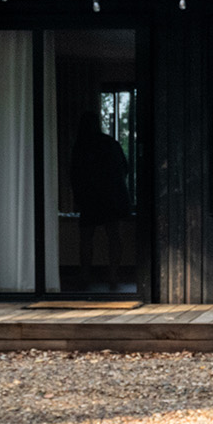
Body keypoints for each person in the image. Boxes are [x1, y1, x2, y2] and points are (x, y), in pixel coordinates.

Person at [69, 110, 132, 290]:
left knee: (86, 237)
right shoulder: (110, 143)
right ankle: (113, 274)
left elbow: (75, 174)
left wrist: (79, 196)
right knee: (114, 236)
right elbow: (124, 168)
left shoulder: (81, 145)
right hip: (113, 195)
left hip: (90, 197)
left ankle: (85, 275)